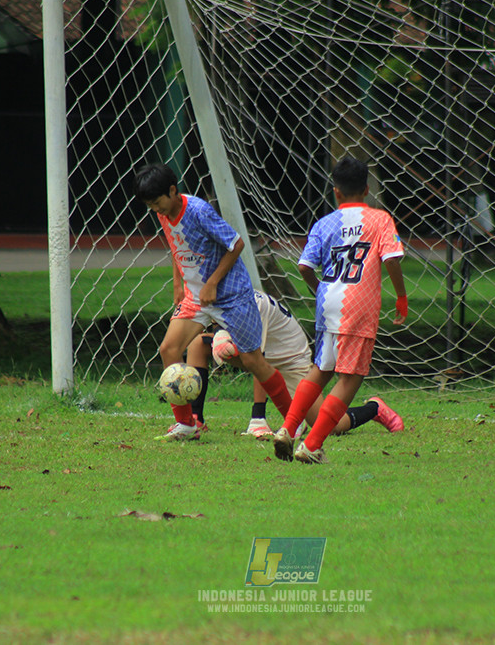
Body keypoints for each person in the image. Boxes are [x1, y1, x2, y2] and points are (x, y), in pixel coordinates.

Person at [135, 163, 293, 441]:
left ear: (173, 191)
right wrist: (179, 284)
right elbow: (176, 245)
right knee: (169, 349)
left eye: (157, 202)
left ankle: (293, 422)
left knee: (254, 361)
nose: (155, 209)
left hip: (230, 295)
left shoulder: (198, 211)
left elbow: (236, 244)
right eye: (149, 205)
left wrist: (212, 283)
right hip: (197, 297)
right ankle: (187, 425)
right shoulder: (164, 213)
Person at [272, 156, 408, 464]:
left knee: (321, 370)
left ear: (336, 192)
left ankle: (287, 429)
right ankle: (312, 445)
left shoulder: (324, 223)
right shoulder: (380, 219)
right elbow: (391, 259)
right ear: (367, 189)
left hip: (328, 300)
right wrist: (401, 296)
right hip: (358, 305)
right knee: (351, 378)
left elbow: (305, 265)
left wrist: (318, 289)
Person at [184, 290, 404, 437]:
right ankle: (195, 419)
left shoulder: (254, 306)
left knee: (330, 427)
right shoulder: (216, 300)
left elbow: (258, 360)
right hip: (267, 357)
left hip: (291, 362)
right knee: (197, 344)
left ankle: (374, 408)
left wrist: (257, 419)